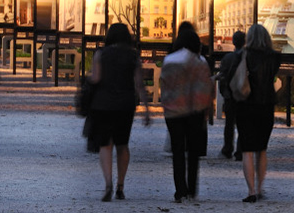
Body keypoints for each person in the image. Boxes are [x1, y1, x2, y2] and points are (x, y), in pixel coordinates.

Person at [87, 22, 148, 201]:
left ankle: (108, 184)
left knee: (106, 144)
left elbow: (96, 78)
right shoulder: (133, 56)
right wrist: (146, 110)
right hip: (125, 105)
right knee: (122, 145)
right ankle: (121, 186)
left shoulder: (100, 54)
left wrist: (86, 81)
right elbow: (139, 85)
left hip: (103, 104)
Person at [160, 22, 215, 203]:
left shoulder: (169, 60)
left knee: (177, 151)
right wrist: (206, 110)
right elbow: (205, 88)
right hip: (194, 111)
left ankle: (180, 190)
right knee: (193, 151)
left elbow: (164, 86)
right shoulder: (200, 62)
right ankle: (192, 188)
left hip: (174, 111)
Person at [234, 23, 281, 202]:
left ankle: (251, 191)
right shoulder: (275, 57)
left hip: (246, 105)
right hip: (266, 105)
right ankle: (260, 188)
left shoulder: (242, 55)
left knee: (247, 149)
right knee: (262, 149)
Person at [216, 30, 246, 160]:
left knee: (229, 125)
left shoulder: (227, 58)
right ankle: (240, 151)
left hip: (230, 96)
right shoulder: (247, 57)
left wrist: (225, 94)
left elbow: (222, 78)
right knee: (243, 125)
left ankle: (227, 149)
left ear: (233, 42)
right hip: (244, 96)